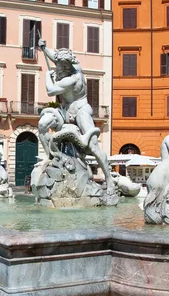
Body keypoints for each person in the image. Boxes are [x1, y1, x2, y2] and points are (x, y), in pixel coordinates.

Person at [37, 38, 114, 194]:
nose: (57, 68)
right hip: (64, 111)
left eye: (59, 67)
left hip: (81, 111)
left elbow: (51, 91)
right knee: (42, 125)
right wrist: (44, 49)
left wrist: (47, 75)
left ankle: (109, 179)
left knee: (93, 146)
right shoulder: (73, 66)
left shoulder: (72, 79)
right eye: (56, 65)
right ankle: (50, 157)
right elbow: (56, 57)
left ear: (66, 67)